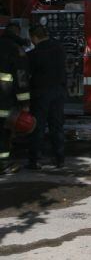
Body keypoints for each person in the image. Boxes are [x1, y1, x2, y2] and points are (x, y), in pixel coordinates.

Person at [27, 24, 67, 169]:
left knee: (38, 127)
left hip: (41, 93)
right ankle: (59, 158)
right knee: (57, 126)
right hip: (59, 91)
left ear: (34, 37)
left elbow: (27, 74)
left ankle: (35, 160)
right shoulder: (59, 48)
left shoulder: (34, 54)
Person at [0, 23, 30, 174]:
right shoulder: (15, 49)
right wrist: (25, 102)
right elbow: (21, 77)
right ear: (17, 33)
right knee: (3, 133)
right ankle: (3, 165)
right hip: (4, 100)